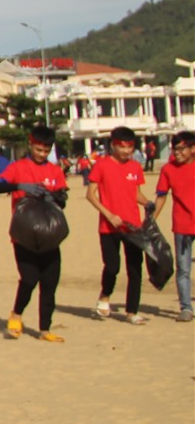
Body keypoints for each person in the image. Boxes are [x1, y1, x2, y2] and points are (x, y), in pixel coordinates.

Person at [0, 125, 69, 342]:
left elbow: (63, 200)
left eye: (45, 151)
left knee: (50, 282)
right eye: (38, 149)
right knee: (29, 278)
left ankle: (45, 329)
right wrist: (19, 185)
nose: (41, 154)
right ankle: (16, 314)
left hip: (49, 235)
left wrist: (52, 196)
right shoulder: (18, 167)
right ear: (30, 144)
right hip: (23, 234)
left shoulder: (55, 171)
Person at [85, 126, 149, 324]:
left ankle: (132, 311)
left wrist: (148, 203)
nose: (127, 151)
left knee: (135, 269)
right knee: (112, 267)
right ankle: (105, 297)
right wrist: (109, 215)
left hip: (133, 226)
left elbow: (135, 193)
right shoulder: (101, 165)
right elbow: (91, 195)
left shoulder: (135, 167)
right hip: (109, 226)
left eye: (130, 147)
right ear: (113, 145)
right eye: (122, 147)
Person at [151, 130, 195, 322]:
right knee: (183, 269)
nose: (176, 152)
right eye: (174, 148)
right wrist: (151, 219)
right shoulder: (168, 169)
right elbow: (161, 196)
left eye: (181, 148)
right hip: (182, 225)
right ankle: (186, 308)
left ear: (192, 149)